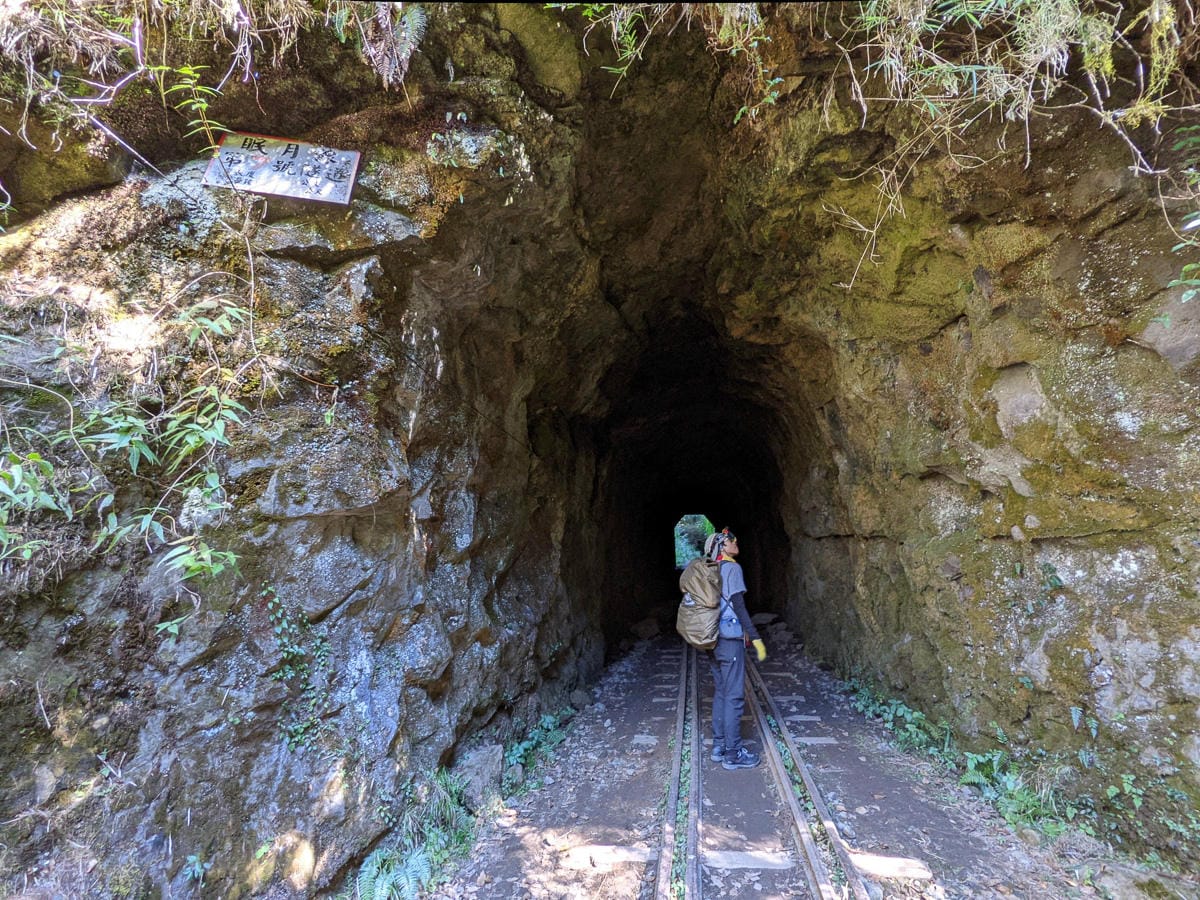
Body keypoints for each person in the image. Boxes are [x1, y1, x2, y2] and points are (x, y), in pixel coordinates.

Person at [703, 528, 767, 770]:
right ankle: (733, 753)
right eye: (731, 540)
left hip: (711, 639)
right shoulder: (732, 568)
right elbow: (739, 607)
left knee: (721, 690)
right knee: (734, 696)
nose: (736, 542)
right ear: (722, 546)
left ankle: (719, 745)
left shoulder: (710, 569)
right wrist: (756, 638)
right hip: (730, 639)